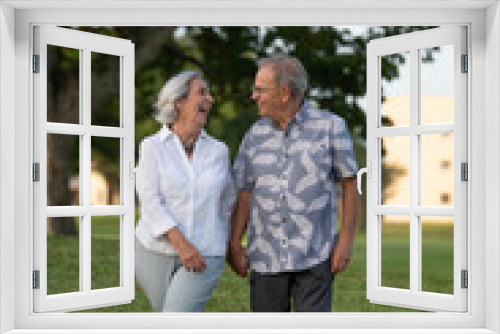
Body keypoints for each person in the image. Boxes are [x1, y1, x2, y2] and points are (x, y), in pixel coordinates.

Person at [228, 54, 359, 312]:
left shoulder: (331, 127)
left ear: (284, 93)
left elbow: (349, 185)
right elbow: (245, 192)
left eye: (260, 90)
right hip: (266, 258)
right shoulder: (254, 135)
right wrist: (234, 244)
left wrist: (345, 241)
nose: (254, 96)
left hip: (315, 254)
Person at [135, 70, 235, 312]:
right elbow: (150, 200)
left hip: (205, 253)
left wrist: (231, 244)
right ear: (178, 102)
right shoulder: (152, 147)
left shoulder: (218, 151)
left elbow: (228, 201)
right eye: (202, 93)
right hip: (153, 249)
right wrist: (181, 246)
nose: (209, 99)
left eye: (209, 94)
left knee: (176, 317)